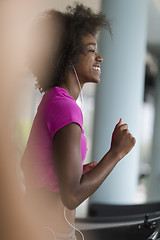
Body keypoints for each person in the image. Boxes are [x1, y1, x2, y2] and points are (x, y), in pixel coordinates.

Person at [20, 3, 136, 240]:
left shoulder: (53, 99)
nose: (100, 57)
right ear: (69, 54)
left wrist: (79, 171)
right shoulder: (65, 107)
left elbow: (35, 167)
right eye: (92, 50)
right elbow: (71, 196)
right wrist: (116, 153)